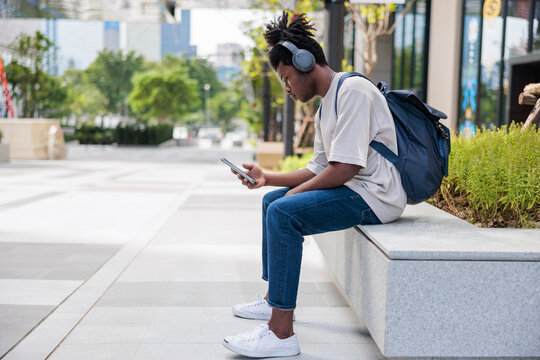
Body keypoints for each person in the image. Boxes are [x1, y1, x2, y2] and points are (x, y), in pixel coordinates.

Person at [222, 12, 406, 358]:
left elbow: (346, 168)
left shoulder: (353, 91)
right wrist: (267, 180)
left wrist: (291, 197)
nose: (287, 88)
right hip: (356, 190)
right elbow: (319, 168)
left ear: (305, 62)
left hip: (377, 196)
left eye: (287, 78)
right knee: (272, 203)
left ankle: (280, 334)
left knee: (283, 213)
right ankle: (272, 300)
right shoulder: (326, 108)